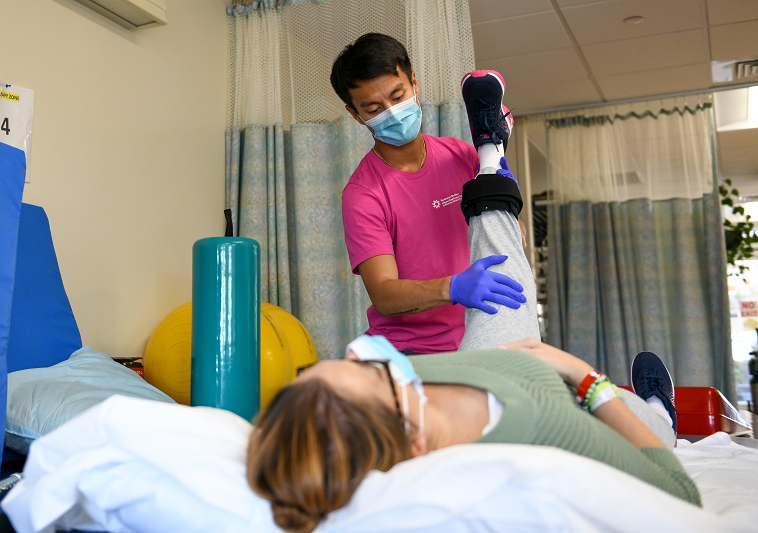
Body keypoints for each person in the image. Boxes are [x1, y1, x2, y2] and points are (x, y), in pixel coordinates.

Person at [246, 335, 699, 533]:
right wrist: (585, 377)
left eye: (344, 360)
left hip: (520, 361)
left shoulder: (403, 388)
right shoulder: (539, 445)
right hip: (583, 401)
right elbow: (679, 495)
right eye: (364, 370)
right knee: (642, 414)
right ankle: (661, 409)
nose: (361, 352)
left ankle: (489, 165)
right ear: (414, 441)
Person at [331, 33, 535, 354]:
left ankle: (492, 157)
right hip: (410, 349)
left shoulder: (460, 155)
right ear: (356, 114)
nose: (392, 112)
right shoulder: (363, 194)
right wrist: (453, 287)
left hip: (477, 331)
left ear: (414, 82)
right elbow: (384, 295)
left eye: (398, 95)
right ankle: (492, 151)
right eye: (373, 108)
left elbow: (514, 240)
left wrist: (503, 203)